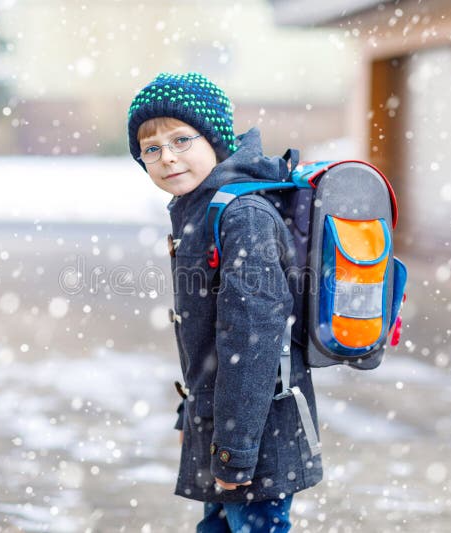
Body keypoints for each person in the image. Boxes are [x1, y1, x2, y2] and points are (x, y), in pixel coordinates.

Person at [127, 72, 322, 532]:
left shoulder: (243, 216)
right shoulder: (201, 206)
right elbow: (211, 340)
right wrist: (192, 414)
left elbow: (250, 342)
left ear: (214, 138)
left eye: (180, 139)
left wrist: (234, 454)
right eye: (150, 149)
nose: (166, 157)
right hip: (230, 432)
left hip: (257, 436)